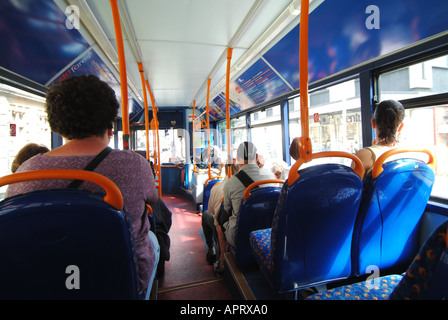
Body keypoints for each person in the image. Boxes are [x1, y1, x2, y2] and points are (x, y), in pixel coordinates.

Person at [5, 75, 159, 297]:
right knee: (153, 240)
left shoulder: (25, 172)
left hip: (46, 281)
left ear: (57, 123)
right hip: (119, 281)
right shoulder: (134, 165)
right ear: (108, 122)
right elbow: (151, 201)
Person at [222, 141, 275, 248]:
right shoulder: (270, 176)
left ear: (237, 158)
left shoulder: (230, 183)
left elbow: (227, 210)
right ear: (256, 157)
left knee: (220, 218)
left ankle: (221, 256)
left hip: (240, 235)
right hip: (268, 231)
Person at [201, 161, 238, 271]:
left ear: (225, 171)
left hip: (221, 224)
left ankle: (211, 248)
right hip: (239, 222)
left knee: (205, 215)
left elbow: (212, 212)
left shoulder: (217, 187)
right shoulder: (246, 187)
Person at [353, 99, 405, 177]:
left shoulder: (364, 156)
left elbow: (351, 188)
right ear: (401, 127)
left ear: (373, 123)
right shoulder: (413, 153)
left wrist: (372, 149)